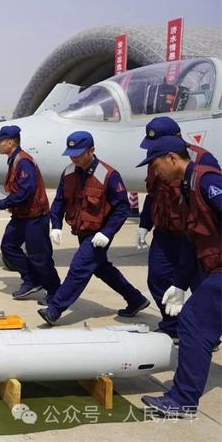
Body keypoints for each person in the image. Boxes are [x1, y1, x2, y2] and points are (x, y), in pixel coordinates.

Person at [137, 135, 222, 418]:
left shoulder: (205, 182)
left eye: (156, 163)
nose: (154, 170)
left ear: (173, 158)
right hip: (212, 266)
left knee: (193, 324)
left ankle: (183, 401)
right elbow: (191, 239)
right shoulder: (187, 186)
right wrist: (179, 283)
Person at [38, 131, 150, 325]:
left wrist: (107, 233)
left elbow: (122, 207)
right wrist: (56, 225)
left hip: (99, 233)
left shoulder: (108, 175)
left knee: (79, 267)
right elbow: (59, 202)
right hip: (81, 230)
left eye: (79, 153)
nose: (74, 157)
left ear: (92, 150)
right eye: (71, 153)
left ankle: (55, 309)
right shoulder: (69, 172)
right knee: (101, 268)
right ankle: (136, 299)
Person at [137, 117, 219, 341]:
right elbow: (152, 195)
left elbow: (210, 199)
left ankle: (207, 334)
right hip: (164, 232)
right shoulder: (156, 161)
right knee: (157, 278)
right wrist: (145, 224)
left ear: (176, 140)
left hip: (191, 236)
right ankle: (172, 326)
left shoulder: (202, 161)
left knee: (200, 285)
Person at [0, 125, 61, 300]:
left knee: (40, 257)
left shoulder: (23, 161)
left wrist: (4, 202)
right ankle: (31, 280)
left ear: (11, 142)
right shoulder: (14, 160)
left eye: (0, 141)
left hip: (35, 217)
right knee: (8, 247)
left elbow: (26, 190)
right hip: (22, 215)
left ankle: (54, 291)